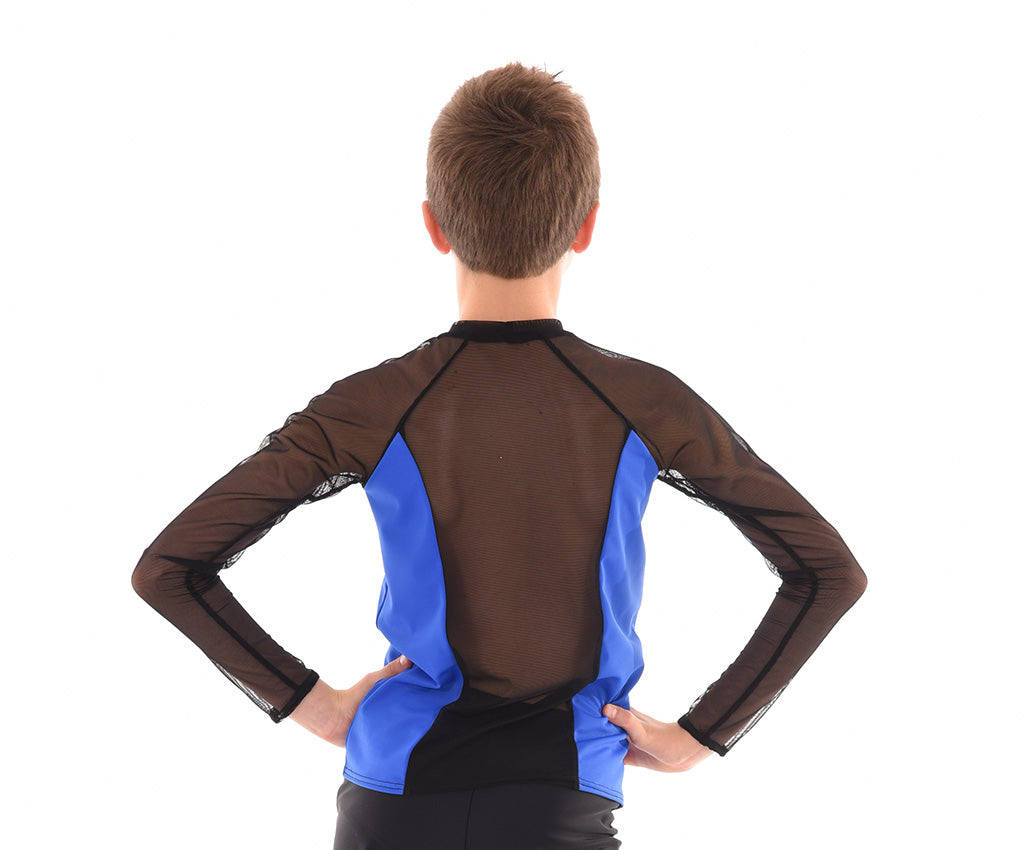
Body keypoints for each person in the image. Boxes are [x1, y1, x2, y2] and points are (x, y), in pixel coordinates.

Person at [132, 63, 866, 849]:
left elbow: (171, 567)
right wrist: (702, 736)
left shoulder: (371, 404)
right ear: (587, 225)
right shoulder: (645, 402)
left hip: (393, 797)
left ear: (433, 225)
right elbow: (826, 571)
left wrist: (312, 704)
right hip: (559, 800)